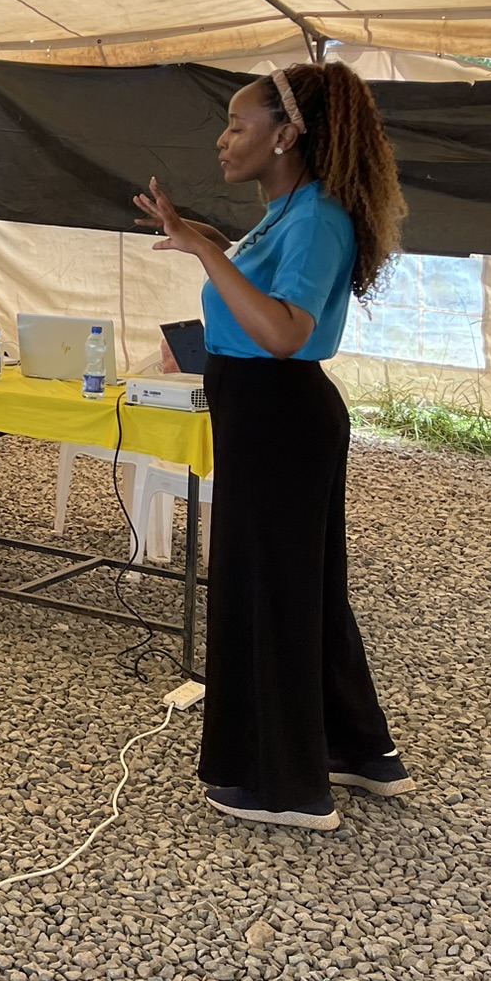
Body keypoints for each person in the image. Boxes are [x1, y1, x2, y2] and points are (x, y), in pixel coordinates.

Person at [134, 61, 410, 832]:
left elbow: (285, 331)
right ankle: (357, 751)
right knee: (302, 587)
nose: (223, 141)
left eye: (237, 125)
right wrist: (202, 238)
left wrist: (205, 251)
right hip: (266, 415)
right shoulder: (288, 210)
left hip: (280, 415)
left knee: (270, 591)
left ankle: (281, 785)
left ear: (287, 135)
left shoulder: (318, 215)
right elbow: (258, 287)